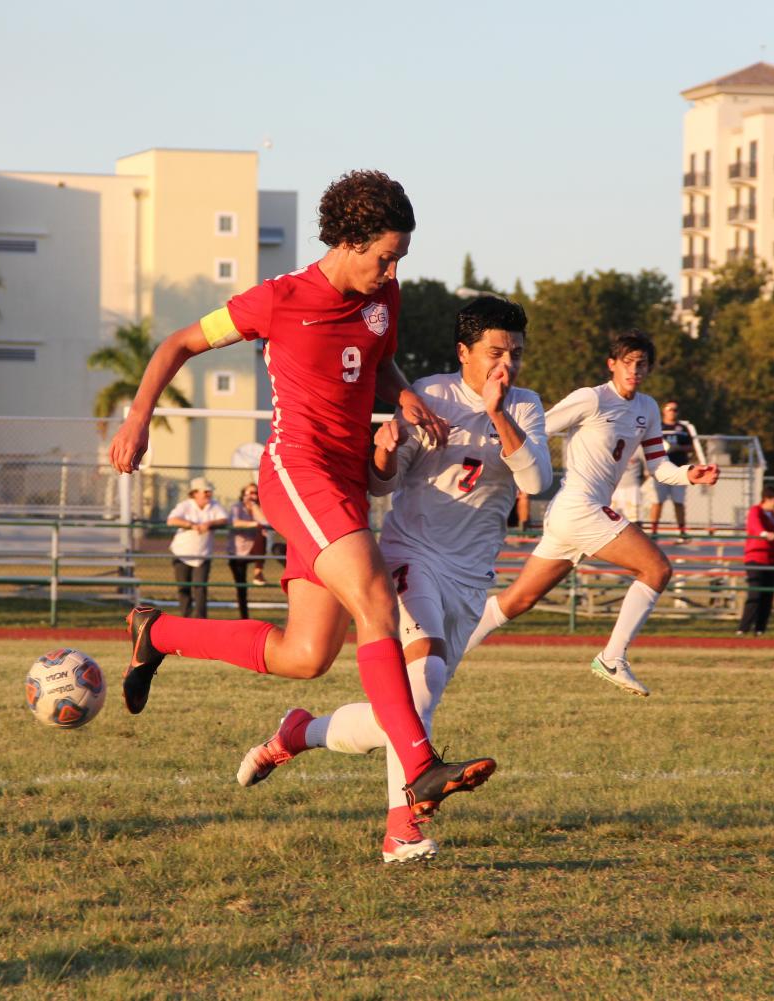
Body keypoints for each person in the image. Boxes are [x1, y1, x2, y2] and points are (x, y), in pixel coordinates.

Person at [107, 169, 494, 820]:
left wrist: (402, 395)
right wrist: (138, 416)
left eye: (399, 258)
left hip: (343, 480)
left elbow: (378, 362)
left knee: (307, 655)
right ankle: (420, 767)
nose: (392, 270)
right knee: (375, 597)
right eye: (385, 256)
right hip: (296, 469)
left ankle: (158, 631)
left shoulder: (384, 298)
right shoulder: (278, 299)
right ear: (348, 240)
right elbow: (178, 343)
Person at [234, 295, 551, 862]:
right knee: (421, 684)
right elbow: (381, 485)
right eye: (496, 352)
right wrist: (382, 453)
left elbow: (535, 481)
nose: (507, 366)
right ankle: (401, 831)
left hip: (470, 579)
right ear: (464, 353)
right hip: (410, 557)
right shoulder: (429, 395)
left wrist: (498, 411)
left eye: (517, 355)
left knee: (403, 715)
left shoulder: (524, 407)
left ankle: (298, 733)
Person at [457, 332, 721, 695]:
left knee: (515, 602)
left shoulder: (647, 408)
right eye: (627, 362)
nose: (634, 370)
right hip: (580, 508)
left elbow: (659, 467)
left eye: (641, 364)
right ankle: (613, 657)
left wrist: (689, 475)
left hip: (577, 515)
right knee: (657, 568)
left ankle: (444, 654)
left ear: (649, 369)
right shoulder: (591, 398)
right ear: (611, 364)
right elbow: (537, 428)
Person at [166, 476, 227, 618]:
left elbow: (224, 519)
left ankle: (200, 620)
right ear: (194, 493)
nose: (208, 494)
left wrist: (209, 524)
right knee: (183, 588)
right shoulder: (185, 505)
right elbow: (172, 520)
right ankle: (186, 618)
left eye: (209, 492)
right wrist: (191, 525)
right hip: (182, 553)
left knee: (200, 588)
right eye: (204, 491)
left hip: (203, 554)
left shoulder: (214, 505)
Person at [737, 485, 774, 636]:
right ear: (767, 499)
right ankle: (743, 628)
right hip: (756, 558)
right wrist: (764, 533)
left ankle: (760, 629)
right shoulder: (755, 510)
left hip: (772, 559)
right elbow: (755, 526)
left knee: (768, 596)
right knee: (755, 594)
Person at [652, 400, 704, 539]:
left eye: (675, 409)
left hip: (679, 470)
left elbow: (691, 447)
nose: (672, 412)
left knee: (678, 502)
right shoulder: (657, 426)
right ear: (664, 411)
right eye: (669, 409)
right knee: (657, 501)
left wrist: (677, 448)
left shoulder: (682, 428)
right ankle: (654, 531)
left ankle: (681, 531)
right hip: (660, 468)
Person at [227, 482, 268, 618]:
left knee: (263, 534)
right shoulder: (236, 507)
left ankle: (258, 572)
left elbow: (265, 523)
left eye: (255, 493)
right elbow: (235, 522)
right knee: (241, 588)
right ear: (243, 494)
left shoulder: (259, 508)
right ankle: (244, 617)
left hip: (252, 550)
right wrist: (254, 524)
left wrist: (255, 508)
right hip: (237, 552)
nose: (253, 496)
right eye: (250, 493)